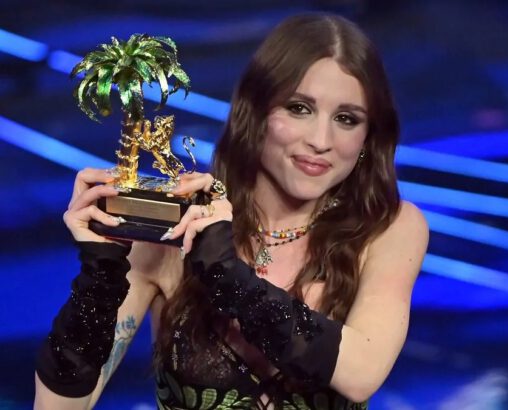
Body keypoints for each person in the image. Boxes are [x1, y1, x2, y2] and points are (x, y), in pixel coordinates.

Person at [34, 13, 429, 410]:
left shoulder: (388, 228)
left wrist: (226, 273)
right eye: (299, 108)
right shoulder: (177, 224)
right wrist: (100, 276)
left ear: (367, 137)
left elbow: (361, 374)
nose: (321, 140)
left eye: (346, 119)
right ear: (255, 112)